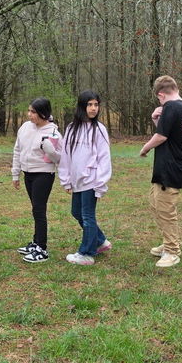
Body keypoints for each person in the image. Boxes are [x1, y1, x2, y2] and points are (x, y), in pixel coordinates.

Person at [139, 75, 182, 268]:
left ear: (161, 94)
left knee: (165, 208)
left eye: (159, 98)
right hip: (171, 164)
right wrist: (156, 119)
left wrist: (145, 148)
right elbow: (169, 133)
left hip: (171, 166)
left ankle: (172, 250)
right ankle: (168, 242)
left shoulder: (172, 107)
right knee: (155, 204)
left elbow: (161, 137)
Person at [57, 90, 112, 265]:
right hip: (77, 181)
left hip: (92, 180)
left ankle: (86, 253)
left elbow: (104, 158)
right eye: (90, 104)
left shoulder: (100, 130)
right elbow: (65, 156)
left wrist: (100, 182)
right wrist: (65, 179)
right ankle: (100, 240)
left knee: (88, 216)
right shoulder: (72, 128)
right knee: (76, 212)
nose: (93, 108)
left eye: (96, 105)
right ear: (82, 106)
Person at [11, 98, 62, 263]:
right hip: (28, 173)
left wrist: (49, 148)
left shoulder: (53, 133)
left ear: (43, 113)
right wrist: (15, 172)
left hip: (44, 174)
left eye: (33, 112)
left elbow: (59, 158)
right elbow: (18, 149)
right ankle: (35, 242)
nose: (29, 115)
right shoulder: (25, 127)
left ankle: (42, 248)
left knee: (39, 210)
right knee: (35, 209)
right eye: (29, 111)